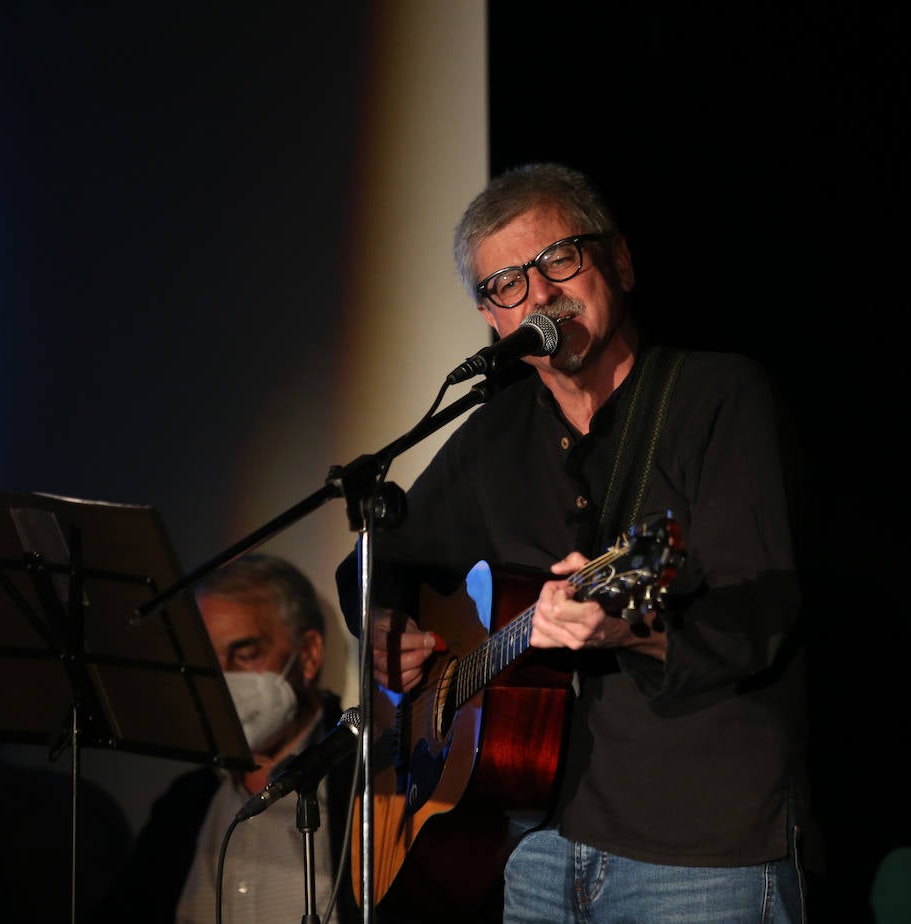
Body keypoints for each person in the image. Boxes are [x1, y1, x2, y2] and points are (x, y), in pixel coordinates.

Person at [335, 162, 818, 924]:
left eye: (559, 259)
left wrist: (635, 628)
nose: (539, 294)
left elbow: (761, 614)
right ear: (492, 320)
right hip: (531, 847)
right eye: (506, 285)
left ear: (618, 262)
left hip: (700, 850)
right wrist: (385, 621)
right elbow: (375, 562)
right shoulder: (494, 435)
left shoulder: (715, 397)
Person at [91, 553, 360, 924]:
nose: (223, 682)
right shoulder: (183, 804)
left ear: (310, 655)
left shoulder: (367, 783)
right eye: (209, 660)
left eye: (245, 654)